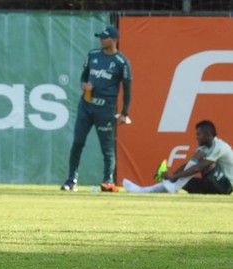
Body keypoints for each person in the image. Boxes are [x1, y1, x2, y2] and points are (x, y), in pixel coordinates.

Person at [61, 25, 132, 192]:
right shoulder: (93, 55)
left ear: (114, 40)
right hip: (86, 106)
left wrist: (124, 113)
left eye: (104, 37)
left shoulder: (121, 62)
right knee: (78, 142)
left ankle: (107, 181)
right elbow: (84, 76)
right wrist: (84, 84)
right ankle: (72, 180)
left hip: (106, 109)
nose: (101, 40)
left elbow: (128, 90)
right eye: (100, 37)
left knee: (107, 147)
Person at [123, 120, 233, 194]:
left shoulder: (220, 147)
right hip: (211, 184)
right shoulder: (203, 148)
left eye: (199, 134)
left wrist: (174, 177)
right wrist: (173, 176)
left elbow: (197, 168)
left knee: (208, 165)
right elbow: (189, 165)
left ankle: (153, 189)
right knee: (186, 180)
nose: (196, 137)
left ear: (208, 135)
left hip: (225, 187)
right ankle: (144, 190)